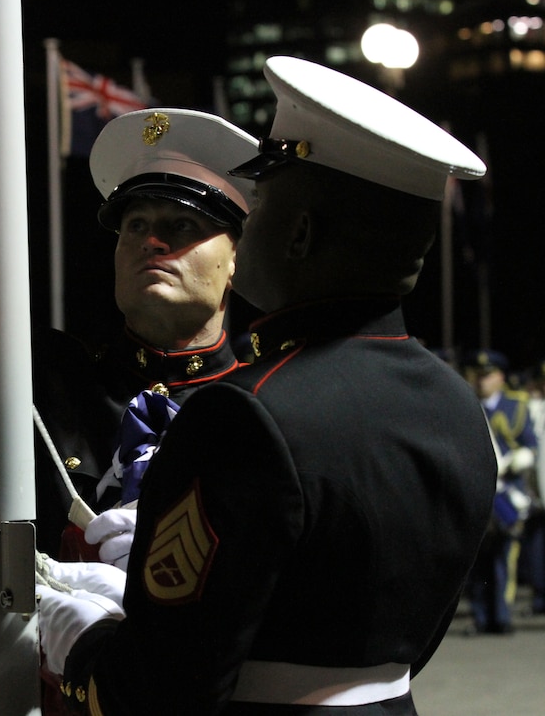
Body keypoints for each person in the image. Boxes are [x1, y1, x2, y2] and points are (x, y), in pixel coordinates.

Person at [36, 56, 497, 715]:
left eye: (265, 200)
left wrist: (84, 641)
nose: (250, 219)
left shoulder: (247, 414)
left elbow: (157, 693)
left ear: (301, 234)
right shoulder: (458, 408)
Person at [0, 52, 259, 559]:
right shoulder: (50, 380)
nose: (151, 242)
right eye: (135, 226)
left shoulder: (270, 400)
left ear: (235, 259)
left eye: (182, 227)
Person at [462, 350, 539, 633]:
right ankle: (481, 617)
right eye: (479, 376)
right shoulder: (466, 405)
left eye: (488, 375)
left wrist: (522, 458)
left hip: (507, 492)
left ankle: (501, 616)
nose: (482, 381)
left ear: (500, 377)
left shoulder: (516, 406)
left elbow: (529, 443)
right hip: (480, 493)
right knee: (477, 560)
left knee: (506, 556)